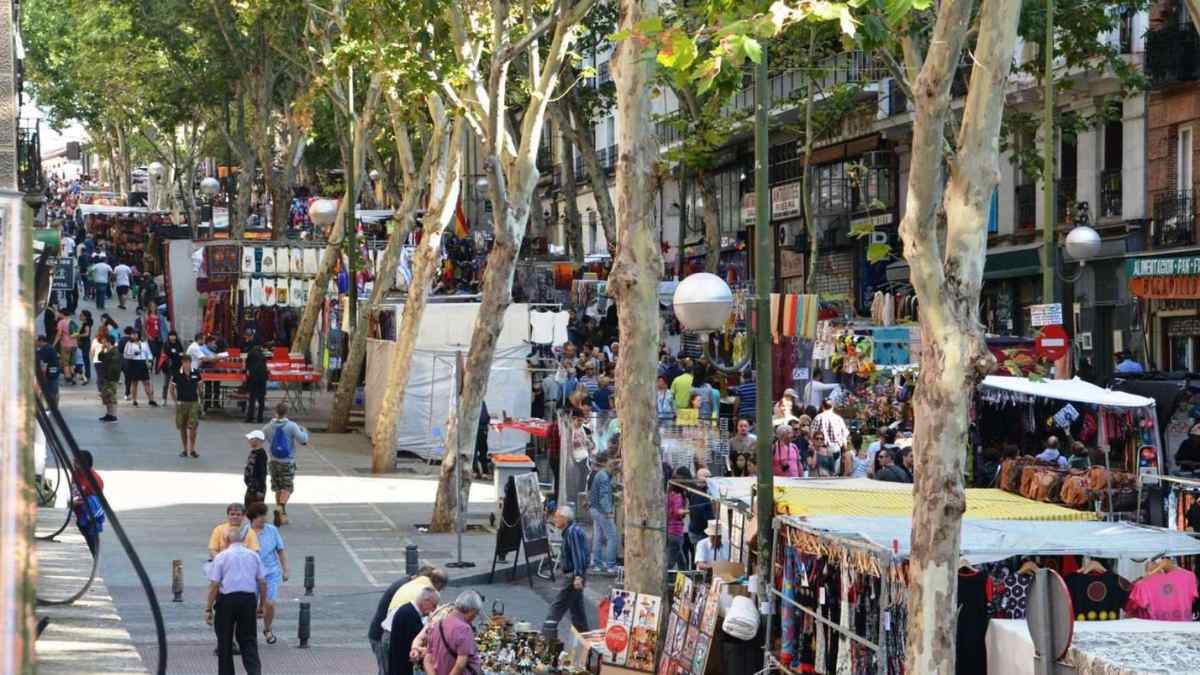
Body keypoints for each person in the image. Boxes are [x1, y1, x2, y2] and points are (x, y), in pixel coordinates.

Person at [205, 526, 267, 675]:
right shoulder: (253, 556)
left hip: (227, 601)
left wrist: (208, 608)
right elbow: (262, 582)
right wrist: (261, 605)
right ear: (244, 540)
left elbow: (214, 585)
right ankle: (254, 672)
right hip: (248, 599)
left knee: (224, 640)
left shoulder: (221, 557)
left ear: (226, 541)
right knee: (249, 639)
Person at [369, 567, 447, 675]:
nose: (433, 609)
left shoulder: (412, 585)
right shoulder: (423, 592)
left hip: (387, 631)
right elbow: (421, 629)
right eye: (433, 605)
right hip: (384, 633)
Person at [246, 501, 288, 645]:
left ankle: (267, 628)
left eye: (265, 515)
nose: (264, 518)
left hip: (271, 572)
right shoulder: (245, 532)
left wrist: (285, 569)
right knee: (249, 606)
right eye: (261, 516)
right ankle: (249, 634)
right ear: (253, 517)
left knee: (269, 604)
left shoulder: (272, 530)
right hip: (251, 575)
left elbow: (280, 550)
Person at [262, 402, 309, 526]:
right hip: (287, 462)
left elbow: (260, 438)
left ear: (275, 412)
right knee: (287, 487)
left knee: (277, 487)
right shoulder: (291, 426)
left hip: (273, 462)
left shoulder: (268, 426)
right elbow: (303, 440)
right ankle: (281, 507)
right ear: (287, 412)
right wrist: (304, 431)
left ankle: (283, 516)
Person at [545, 506, 590, 632]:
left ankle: (547, 632)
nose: (555, 520)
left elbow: (578, 555)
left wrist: (578, 576)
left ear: (565, 519)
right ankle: (584, 639)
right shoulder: (570, 531)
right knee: (577, 611)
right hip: (573, 575)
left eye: (557, 517)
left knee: (558, 605)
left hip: (572, 576)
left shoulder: (572, 532)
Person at [424, 590, 483, 675]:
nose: (475, 617)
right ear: (472, 610)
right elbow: (460, 664)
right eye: (476, 613)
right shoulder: (464, 629)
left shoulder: (438, 624)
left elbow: (427, 659)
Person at [388, 586, 440, 675]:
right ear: (426, 601)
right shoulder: (409, 615)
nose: (434, 609)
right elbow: (416, 641)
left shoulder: (408, 610)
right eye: (434, 605)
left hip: (399, 664)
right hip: (402, 667)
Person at [588, 452, 617, 575]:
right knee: (612, 536)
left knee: (598, 537)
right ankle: (610, 565)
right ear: (606, 462)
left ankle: (597, 564)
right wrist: (608, 511)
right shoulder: (604, 476)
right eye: (611, 462)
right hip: (601, 511)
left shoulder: (600, 475)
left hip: (594, 509)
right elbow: (604, 497)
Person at [71, 450, 103, 556]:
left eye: (76, 462)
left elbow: (95, 502)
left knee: (92, 543)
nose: (74, 464)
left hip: (90, 516)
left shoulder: (95, 479)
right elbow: (74, 491)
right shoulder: (75, 474)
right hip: (78, 513)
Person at [171, 360, 202, 458]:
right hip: (182, 403)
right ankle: (185, 449)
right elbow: (171, 389)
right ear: (182, 363)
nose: (187, 365)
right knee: (183, 427)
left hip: (193, 402)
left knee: (193, 427)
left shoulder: (196, 373)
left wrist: (200, 400)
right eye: (185, 363)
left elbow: (200, 387)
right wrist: (176, 402)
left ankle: (192, 449)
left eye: (188, 362)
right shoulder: (177, 374)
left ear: (190, 363)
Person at [123, 330, 158, 407]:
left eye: (135, 334)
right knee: (134, 383)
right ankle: (134, 400)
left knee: (146, 383)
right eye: (132, 334)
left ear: (138, 335)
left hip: (143, 364)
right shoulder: (129, 344)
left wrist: (149, 361)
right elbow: (125, 355)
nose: (134, 336)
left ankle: (151, 400)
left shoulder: (144, 343)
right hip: (133, 363)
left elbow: (149, 353)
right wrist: (133, 354)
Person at [96, 332, 123, 422]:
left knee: (111, 397)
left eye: (104, 342)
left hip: (111, 378)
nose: (103, 343)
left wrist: (112, 378)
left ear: (108, 342)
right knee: (106, 397)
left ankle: (113, 415)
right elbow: (100, 357)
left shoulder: (115, 352)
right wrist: (103, 350)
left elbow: (115, 367)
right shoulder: (108, 351)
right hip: (106, 378)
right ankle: (109, 414)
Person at [666, 478, 689, 570]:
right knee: (671, 561)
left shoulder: (668, 495)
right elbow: (678, 512)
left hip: (669, 530)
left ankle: (685, 575)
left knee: (681, 560)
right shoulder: (677, 496)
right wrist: (689, 510)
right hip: (676, 531)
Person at [244, 343, 269, 423]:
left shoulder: (250, 354)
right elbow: (265, 368)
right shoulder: (262, 356)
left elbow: (247, 366)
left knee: (252, 399)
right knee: (261, 399)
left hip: (253, 378)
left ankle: (250, 417)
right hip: (262, 379)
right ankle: (260, 418)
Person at [244, 431, 269, 508]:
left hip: (256, 488)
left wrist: (260, 490)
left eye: (251, 439)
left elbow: (262, 472)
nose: (249, 440)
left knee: (255, 510)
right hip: (251, 487)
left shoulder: (261, 454)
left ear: (258, 440)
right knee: (248, 507)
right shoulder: (253, 452)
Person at [36, 334, 62, 409]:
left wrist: (41, 375)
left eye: (37, 342)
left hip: (50, 373)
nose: (36, 343)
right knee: (54, 390)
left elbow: (43, 364)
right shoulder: (50, 347)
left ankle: (52, 407)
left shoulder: (45, 349)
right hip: (54, 372)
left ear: (41, 341)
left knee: (51, 391)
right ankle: (54, 407)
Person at [54, 308, 77, 385]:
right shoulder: (72, 321)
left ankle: (68, 378)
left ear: (62, 314)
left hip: (65, 345)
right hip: (74, 345)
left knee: (65, 363)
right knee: (72, 362)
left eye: (60, 313)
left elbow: (59, 334)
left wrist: (54, 344)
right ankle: (73, 375)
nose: (59, 314)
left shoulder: (61, 322)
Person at [162, 331, 185, 402]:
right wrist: (175, 354)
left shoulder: (178, 344)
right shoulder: (166, 344)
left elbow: (181, 353)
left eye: (174, 335)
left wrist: (177, 354)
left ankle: (179, 398)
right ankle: (164, 398)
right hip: (168, 366)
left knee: (178, 383)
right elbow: (164, 355)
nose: (172, 337)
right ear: (168, 337)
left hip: (177, 366)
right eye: (171, 335)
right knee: (166, 383)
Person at [75, 309, 94, 385]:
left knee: (85, 359)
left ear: (85, 317)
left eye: (81, 315)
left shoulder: (87, 325)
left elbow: (86, 334)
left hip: (85, 343)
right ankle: (85, 374)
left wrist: (77, 335)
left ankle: (87, 375)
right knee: (83, 358)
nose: (80, 316)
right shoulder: (85, 323)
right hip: (83, 343)